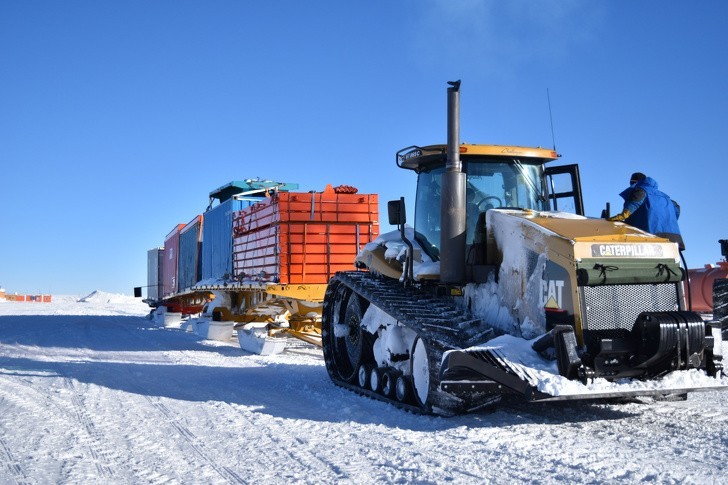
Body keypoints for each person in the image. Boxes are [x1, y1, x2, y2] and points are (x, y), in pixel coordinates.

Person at [608, 172, 685, 249]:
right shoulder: (666, 198)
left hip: (650, 234)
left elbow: (634, 203)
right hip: (674, 238)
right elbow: (677, 209)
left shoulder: (641, 191)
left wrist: (621, 216)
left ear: (635, 182)